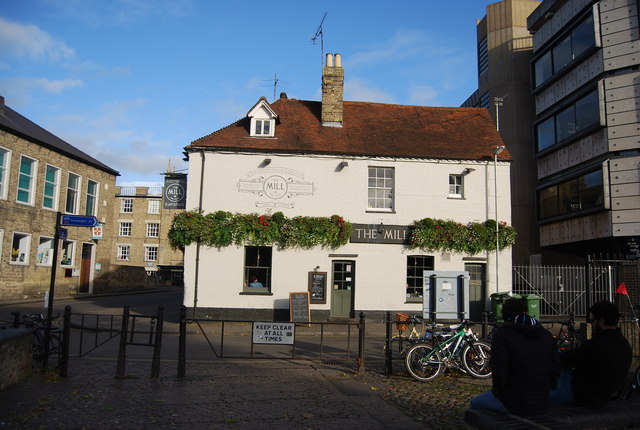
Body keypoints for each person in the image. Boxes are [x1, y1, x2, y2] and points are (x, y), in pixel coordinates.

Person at [471, 297, 560, 416]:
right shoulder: (546, 335)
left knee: (475, 403)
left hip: (514, 400)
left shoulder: (503, 334)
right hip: (542, 399)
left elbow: (499, 369)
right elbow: (555, 367)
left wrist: (499, 391)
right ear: (526, 312)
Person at [550, 300, 632, 407]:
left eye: (593, 320)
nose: (592, 324)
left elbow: (567, 360)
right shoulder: (624, 344)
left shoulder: (596, 345)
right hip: (604, 394)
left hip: (582, 394)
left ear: (601, 321)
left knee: (555, 355)